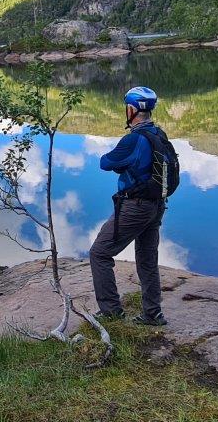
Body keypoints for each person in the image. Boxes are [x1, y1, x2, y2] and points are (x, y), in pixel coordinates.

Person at [89, 86, 173, 326]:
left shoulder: (133, 139)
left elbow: (106, 162)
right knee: (147, 258)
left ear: (132, 109)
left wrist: (122, 164)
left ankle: (111, 312)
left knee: (100, 253)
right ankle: (153, 314)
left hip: (135, 207)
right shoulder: (158, 133)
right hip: (157, 205)